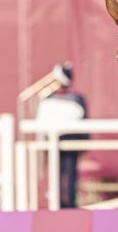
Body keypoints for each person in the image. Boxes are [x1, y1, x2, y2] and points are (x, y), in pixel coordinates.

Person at [36, 62, 89, 207]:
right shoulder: (48, 99)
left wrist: (84, 143)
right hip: (54, 142)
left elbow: (84, 124)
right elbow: (42, 123)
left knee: (70, 174)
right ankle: (58, 203)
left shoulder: (77, 99)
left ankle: (70, 204)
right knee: (56, 174)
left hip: (71, 141)